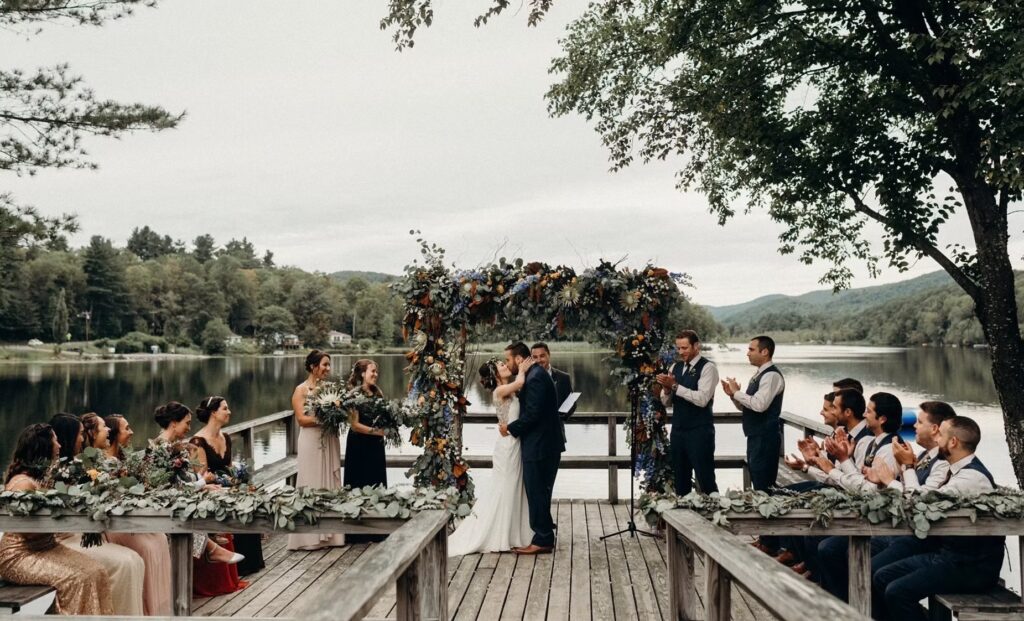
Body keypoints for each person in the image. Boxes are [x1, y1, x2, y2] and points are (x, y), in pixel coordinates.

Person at [816, 401, 956, 601]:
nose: (914, 426)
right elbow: (897, 492)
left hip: (918, 536)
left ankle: (859, 609)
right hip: (898, 526)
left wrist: (891, 478)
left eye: (919, 422)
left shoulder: (941, 464)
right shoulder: (922, 456)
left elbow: (919, 501)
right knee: (835, 548)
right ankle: (844, 604)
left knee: (862, 562)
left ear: (934, 429)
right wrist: (881, 481)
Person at [871, 416, 1004, 621]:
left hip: (972, 566)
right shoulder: (957, 471)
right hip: (948, 555)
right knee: (882, 576)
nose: (936, 439)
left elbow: (921, 504)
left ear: (953, 442)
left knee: (898, 592)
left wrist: (908, 467)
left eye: (940, 435)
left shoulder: (971, 478)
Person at [0, 424, 114, 616]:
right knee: (77, 579)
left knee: (97, 571)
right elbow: (27, 531)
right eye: (55, 440)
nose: (60, 445)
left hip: (45, 547)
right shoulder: (22, 484)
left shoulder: (42, 478)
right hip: (19, 555)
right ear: (44, 446)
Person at [50, 413, 146, 617]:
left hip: (82, 535)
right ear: (69, 437)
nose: (82, 439)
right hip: (64, 539)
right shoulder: (58, 472)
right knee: (125, 563)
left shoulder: (80, 465)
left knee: (135, 560)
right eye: (79, 434)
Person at [82, 413, 173, 616]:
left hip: (126, 516)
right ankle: (144, 611)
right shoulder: (90, 464)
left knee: (159, 538)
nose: (131, 432)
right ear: (94, 433)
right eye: (104, 428)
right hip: (110, 523)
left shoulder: (121, 459)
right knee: (146, 547)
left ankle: (161, 611)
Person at [447, 359, 533, 556]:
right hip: (507, 446)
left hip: (514, 442)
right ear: (495, 374)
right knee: (505, 486)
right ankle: (500, 535)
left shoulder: (509, 390)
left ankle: (514, 532)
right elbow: (520, 382)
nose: (506, 366)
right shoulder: (499, 391)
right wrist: (522, 368)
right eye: (502, 365)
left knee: (513, 486)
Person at [151, 402, 245, 575]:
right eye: (187, 423)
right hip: (163, 502)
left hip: (178, 495)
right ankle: (212, 548)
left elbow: (183, 478)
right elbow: (169, 488)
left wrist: (205, 485)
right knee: (194, 506)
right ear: (174, 423)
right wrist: (202, 484)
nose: (189, 428)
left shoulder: (172, 445)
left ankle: (216, 537)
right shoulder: (160, 449)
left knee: (220, 492)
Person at [499, 342, 564, 555]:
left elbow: (533, 414)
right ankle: (543, 536)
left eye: (508, 359)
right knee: (539, 492)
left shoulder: (535, 377)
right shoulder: (535, 373)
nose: (507, 363)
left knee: (537, 492)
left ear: (518, 359)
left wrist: (510, 428)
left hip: (540, 445)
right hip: (543, 444)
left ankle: (543, 539)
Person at [192, 396, 265, 576]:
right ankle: (237, 564)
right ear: (213, 413)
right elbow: (202, 476)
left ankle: (250, 562)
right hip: (209, 489)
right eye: (225, 408)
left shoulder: (225, 437)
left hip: (226, 485)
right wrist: (224, 485)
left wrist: (238, 482)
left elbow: (230, 468)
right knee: (236, 500)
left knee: (248, 495)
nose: (229, 412)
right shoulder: (197, 442)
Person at [287, 350, 346, 551]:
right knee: (311, 481)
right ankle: (307, 538)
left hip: (329, 439)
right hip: (311, 441)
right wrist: (325, 419)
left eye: (329, 365)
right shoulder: (300, 390)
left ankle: (332, 536)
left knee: (329, 482)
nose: (328, 369)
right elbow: (302, 420)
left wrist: (338, 414)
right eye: (324, 364)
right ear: (313, 367)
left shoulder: (330, 389)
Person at [654, 330, 719, 495]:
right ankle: (684, 509)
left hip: (700, 432)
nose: (681, 352)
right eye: (678, 348)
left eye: (685, 348)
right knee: (680, 479)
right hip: (678, 431)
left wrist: (675, 386)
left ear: (696, 346)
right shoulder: (675, 367)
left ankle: (714, 509)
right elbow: (667, 403)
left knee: (705, 479)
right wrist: (666, 390)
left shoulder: (708, 368)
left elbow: (702, 399)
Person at [722, 335, 784, 490]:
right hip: (756, 437)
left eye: (751, 349)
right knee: (757, 479)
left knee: (763, 485)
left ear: (764, 352)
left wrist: (737, 392)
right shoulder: (760, 374)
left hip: (765, 439)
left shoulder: (771, 375)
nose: (747, 353)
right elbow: (749, 407)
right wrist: (733, 395)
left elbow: (759, 405)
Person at [344, 359, 389, 543]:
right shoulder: (354, 395)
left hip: (375, 445)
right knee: (359, 484)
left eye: (376, 371)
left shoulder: (378, 393)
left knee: (376, 482)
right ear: (362, 373)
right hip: (359, 445)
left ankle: (377, 529)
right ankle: (357, 532)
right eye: (372, 371)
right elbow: (354, 425)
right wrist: (376, 431)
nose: (375, 374)